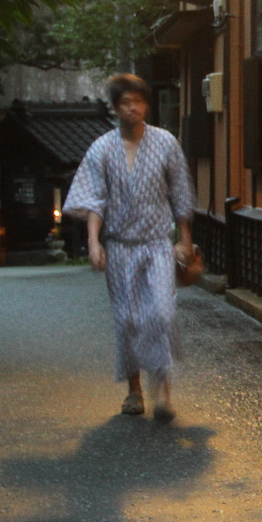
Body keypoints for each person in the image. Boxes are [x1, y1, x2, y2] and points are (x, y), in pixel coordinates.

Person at [63, 73, 194, 423]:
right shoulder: (102, 148)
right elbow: (96, 199)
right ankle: (134, 390)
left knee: (162, 314)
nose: (133, 108)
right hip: (120, 246)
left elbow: (180, 192)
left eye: (138, 101)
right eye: (126, 102)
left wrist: (184, 238)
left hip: (157, 245)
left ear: (146, 105)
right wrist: (94, 242)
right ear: (115, 108)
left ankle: (163, 392)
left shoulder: (165, 143)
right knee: (129, 320)